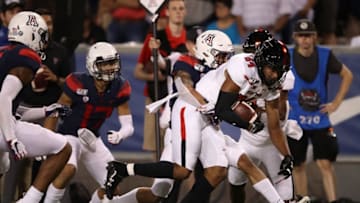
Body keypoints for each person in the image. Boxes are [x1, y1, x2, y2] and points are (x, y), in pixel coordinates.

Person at [104, 30, 235, 203]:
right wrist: (207, 105)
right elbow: (184, 85)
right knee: (160, 191)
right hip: (182, 129)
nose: (223, 61)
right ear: (206, 51)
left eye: (226, 56)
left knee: (217, 171)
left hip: (206, 128)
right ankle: (120, 186)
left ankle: (124, 170)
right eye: (220, 55)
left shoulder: (221, 71)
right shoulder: (184, 62)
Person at [42, 41, 134, 203]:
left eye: (112, 62)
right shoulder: (78, 82)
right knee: (68, 169)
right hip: (69, 136)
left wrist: (120, 134)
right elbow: (56, 111)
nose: (110, 68)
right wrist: (48, 140)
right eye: (104, 64)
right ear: (92, 65)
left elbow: (128, 125)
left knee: (113, 188)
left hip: (93, 139)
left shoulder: (120, 87)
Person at [226, 29, 307, 203]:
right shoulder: (243, 73)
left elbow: (279, 116)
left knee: (286, 196)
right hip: (248, 139)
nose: (252, 59)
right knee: (235, 182)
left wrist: (256, 107)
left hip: (271, 142)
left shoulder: (276, 76)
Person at [0, 11, 72, 203]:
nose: (43, 41)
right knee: (63, 148)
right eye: (40, 35)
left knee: (3, 165)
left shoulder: (4, 52)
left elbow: (14, 110)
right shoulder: (26, 56)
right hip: (2, 128)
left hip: (4, 119)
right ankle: (30, 200)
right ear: (30, 33)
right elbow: (4, 98)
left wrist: (47, 110)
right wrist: (12, 139)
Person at [287, 19, 353, 203]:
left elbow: (347, 75)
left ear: (314, 37)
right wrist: (282, 104)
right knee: (298, 165)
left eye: (308, 35)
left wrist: (337, 102)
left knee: (325, 163)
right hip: (295, 120)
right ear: (295, 37)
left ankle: (333, 201)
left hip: (319, 118)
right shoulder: (288, 56)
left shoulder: (325, 55)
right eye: (301, 36)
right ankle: (303, 200)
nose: (305, 40)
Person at [133, 0, 187, 152]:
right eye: (174, 8)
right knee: (157, 148)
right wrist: (155, 77)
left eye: (181, 8)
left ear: (185, 12)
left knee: (184, 146)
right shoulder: (155, 38)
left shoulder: (190, 39)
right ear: (167, 12)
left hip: (184, 99)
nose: (178, 12)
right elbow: (137, 72)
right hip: (156, 97)